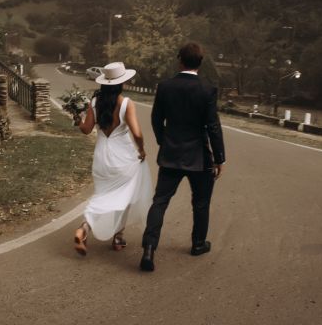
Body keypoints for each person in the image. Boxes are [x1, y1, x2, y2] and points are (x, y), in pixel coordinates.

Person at [140, 43, 226, 271]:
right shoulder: (208, 90)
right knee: (201, 202)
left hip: (171, 153)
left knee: (160, 201)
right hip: (199, 157)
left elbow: (156, 120)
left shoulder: (165, 86)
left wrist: (163, 141)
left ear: (180, 61)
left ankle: (149, 248)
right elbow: (213, 127)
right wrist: (220, 158)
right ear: (200, 62)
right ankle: (198, 244)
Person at [73, 62, 153, 255]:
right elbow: (137, 133)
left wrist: (78, 121)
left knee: (103, 195)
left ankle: (85, 228)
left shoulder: (94, 103)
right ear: (121, 83)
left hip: (102, 156)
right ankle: (118, 238)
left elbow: (86, 130)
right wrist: (141, 150)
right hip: (123, 158)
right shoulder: (126, 104)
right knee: (125, 196)